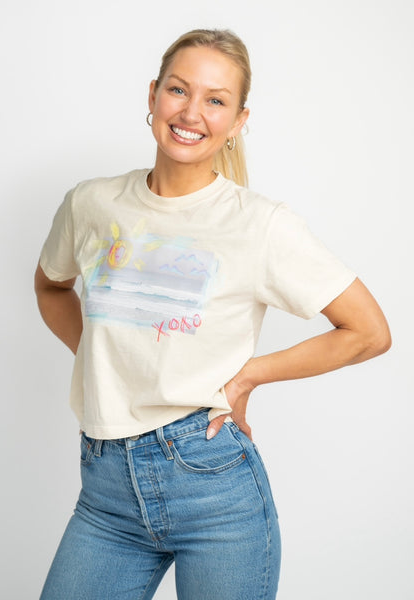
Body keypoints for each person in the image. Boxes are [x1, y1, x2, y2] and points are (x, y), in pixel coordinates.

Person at [35, 29, 391, 600]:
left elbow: (369, 332)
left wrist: (250, 375)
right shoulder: (91, 203)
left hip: (213, 487)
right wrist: (105, 356)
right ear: (152, 95)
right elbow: (52, 288)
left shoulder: (260, 224)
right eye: (178, 89)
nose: (191, 112)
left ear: (239, 120)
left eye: (216, 100)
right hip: (105, 496)